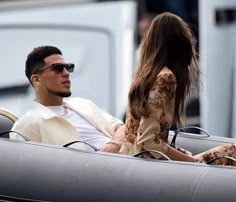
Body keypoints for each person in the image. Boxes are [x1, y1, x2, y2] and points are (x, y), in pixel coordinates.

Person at [119, 12, 236, 165]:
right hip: (148, 165)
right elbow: (148, 143)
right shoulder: (165, 78)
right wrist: (191, 163)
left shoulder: (145, 75)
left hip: (130, 159)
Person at [10, 46, 125, 153]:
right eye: (58, 68)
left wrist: (114, 145)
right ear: (37, 80)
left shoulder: (82, 104)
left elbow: (122, 127)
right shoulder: (27, 124)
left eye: (68, 68)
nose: (66, 73)